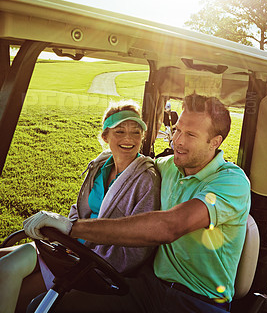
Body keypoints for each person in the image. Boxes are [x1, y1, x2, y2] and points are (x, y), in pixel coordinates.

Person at [27, 93, 251, 313]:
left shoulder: (231, 181)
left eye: (190, 134)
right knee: (48, 305)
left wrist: (71, 228)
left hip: (198, 301)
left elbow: (170, 226)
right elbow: (132, 166)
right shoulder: (168, 166)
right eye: (178, 130)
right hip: (149, 287)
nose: (177, 141)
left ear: (215, 142)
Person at [0, 100, 161, 313]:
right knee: (4, 263)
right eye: (120, 131)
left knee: (11, 277)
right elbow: (78, 211)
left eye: (136, 132)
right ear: (105, 136)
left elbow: (138, 247)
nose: (129, 139)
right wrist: (67, 237)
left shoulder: (146, 180)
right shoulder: (100, 166)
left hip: (93, 264)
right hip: (69, 247)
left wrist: (87, 257)